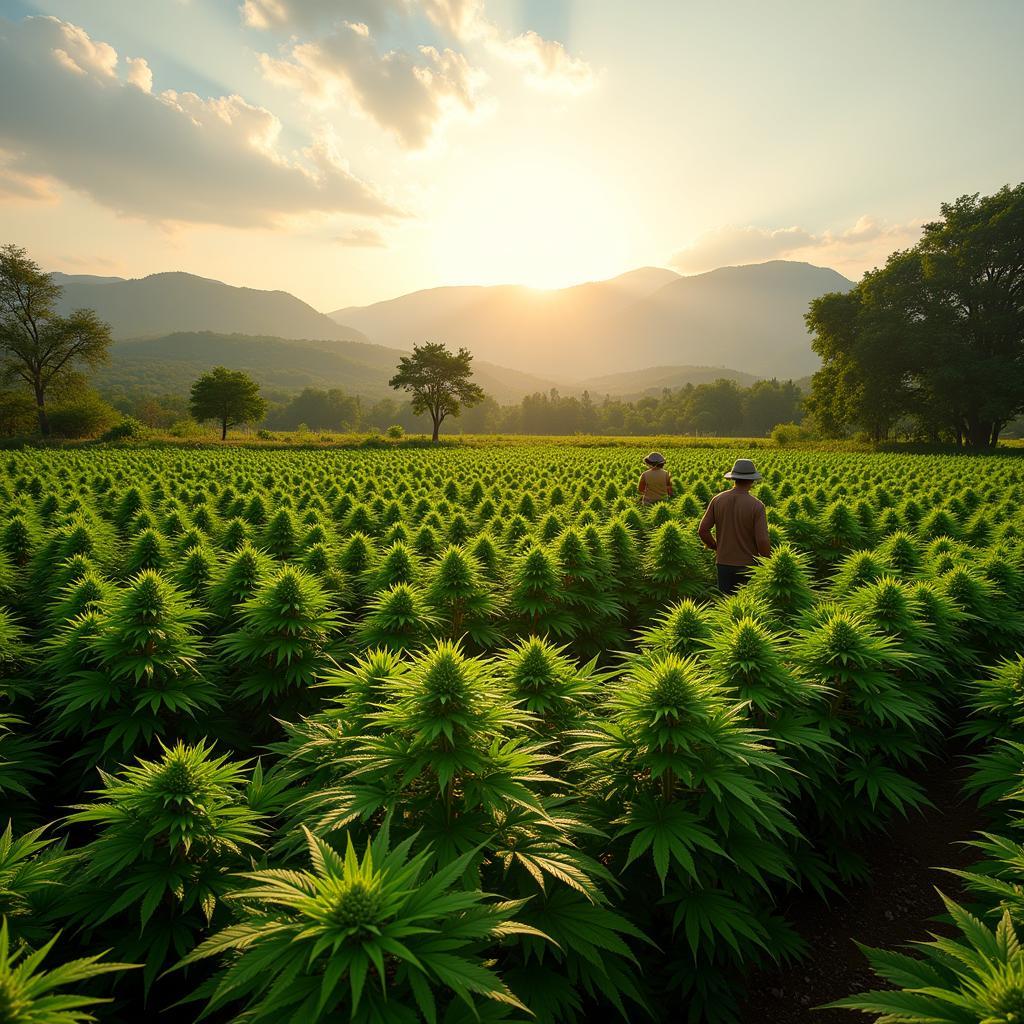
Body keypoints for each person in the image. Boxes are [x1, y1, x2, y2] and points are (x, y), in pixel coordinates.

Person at [698, 458, 771, 595]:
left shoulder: (718, 499)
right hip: (749, 565)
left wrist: (715, 546)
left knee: (726, 605)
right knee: (747, 606)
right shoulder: (757, 505)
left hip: (723, 564)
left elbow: (703, 530)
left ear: (734, 479)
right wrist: (768, 562)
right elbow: (762, 540)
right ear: (752, 481)